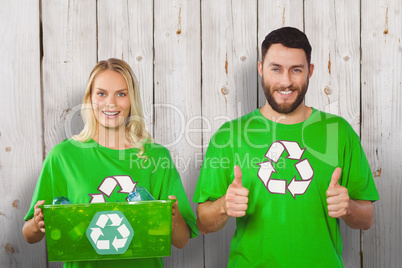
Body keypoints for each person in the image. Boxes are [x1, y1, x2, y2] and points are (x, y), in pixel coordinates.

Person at [193, 27, 379, 267]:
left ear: (310, 71)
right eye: (276, 69)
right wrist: (223, 206)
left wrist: (349, 207)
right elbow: (203, 223)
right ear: (261, 69)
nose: (286, 81)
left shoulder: (338, 131)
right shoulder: (229, 135)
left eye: (296, 70)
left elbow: (366, 219)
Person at [22, 58, 198, 268]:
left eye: (121, 94)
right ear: (89, 98)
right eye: (102, 93)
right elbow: (29, 236)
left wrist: (174, 217)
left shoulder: (156, 157)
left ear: (132, 99)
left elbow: (181, 240)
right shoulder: (63, 156)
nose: (111, 103)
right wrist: (37, 223)